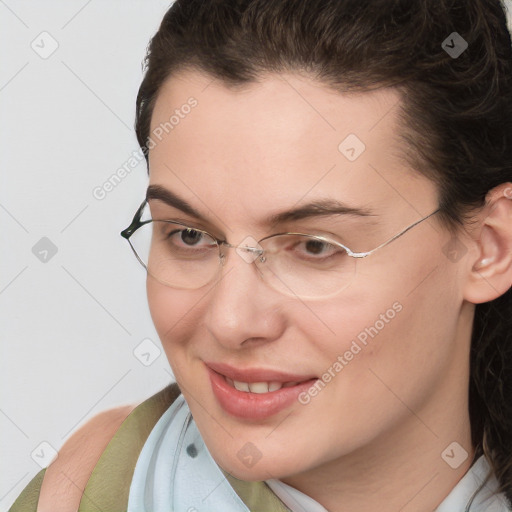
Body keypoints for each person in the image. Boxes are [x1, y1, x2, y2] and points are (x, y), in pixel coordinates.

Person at [8, 0, 512, 511]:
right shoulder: (85, 495)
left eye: (315, 247)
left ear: (490, 248)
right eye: (188, 236)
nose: (230, 321)